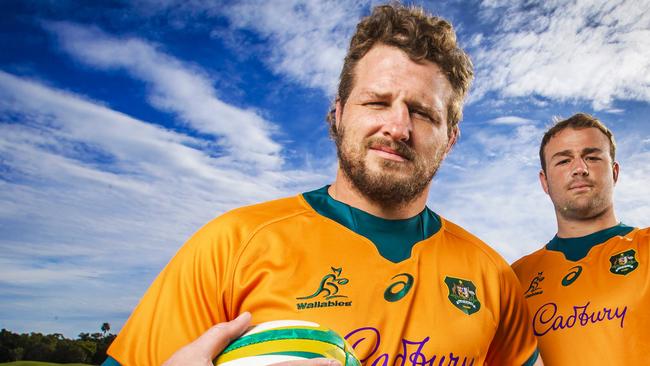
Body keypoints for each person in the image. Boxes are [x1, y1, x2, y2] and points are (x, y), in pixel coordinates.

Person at [105, 4, 542, 366]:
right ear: (338, 113)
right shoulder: (231, 245)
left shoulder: (492, 277)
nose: (398, 126)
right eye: (376, 101)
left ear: (450, 139)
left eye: (423, 113)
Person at [512, 113, 649, 365]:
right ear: (545, 182)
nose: (579, 169)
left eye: (592, 157)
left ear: (615, 172)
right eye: (563, 161)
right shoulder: (515, 278)